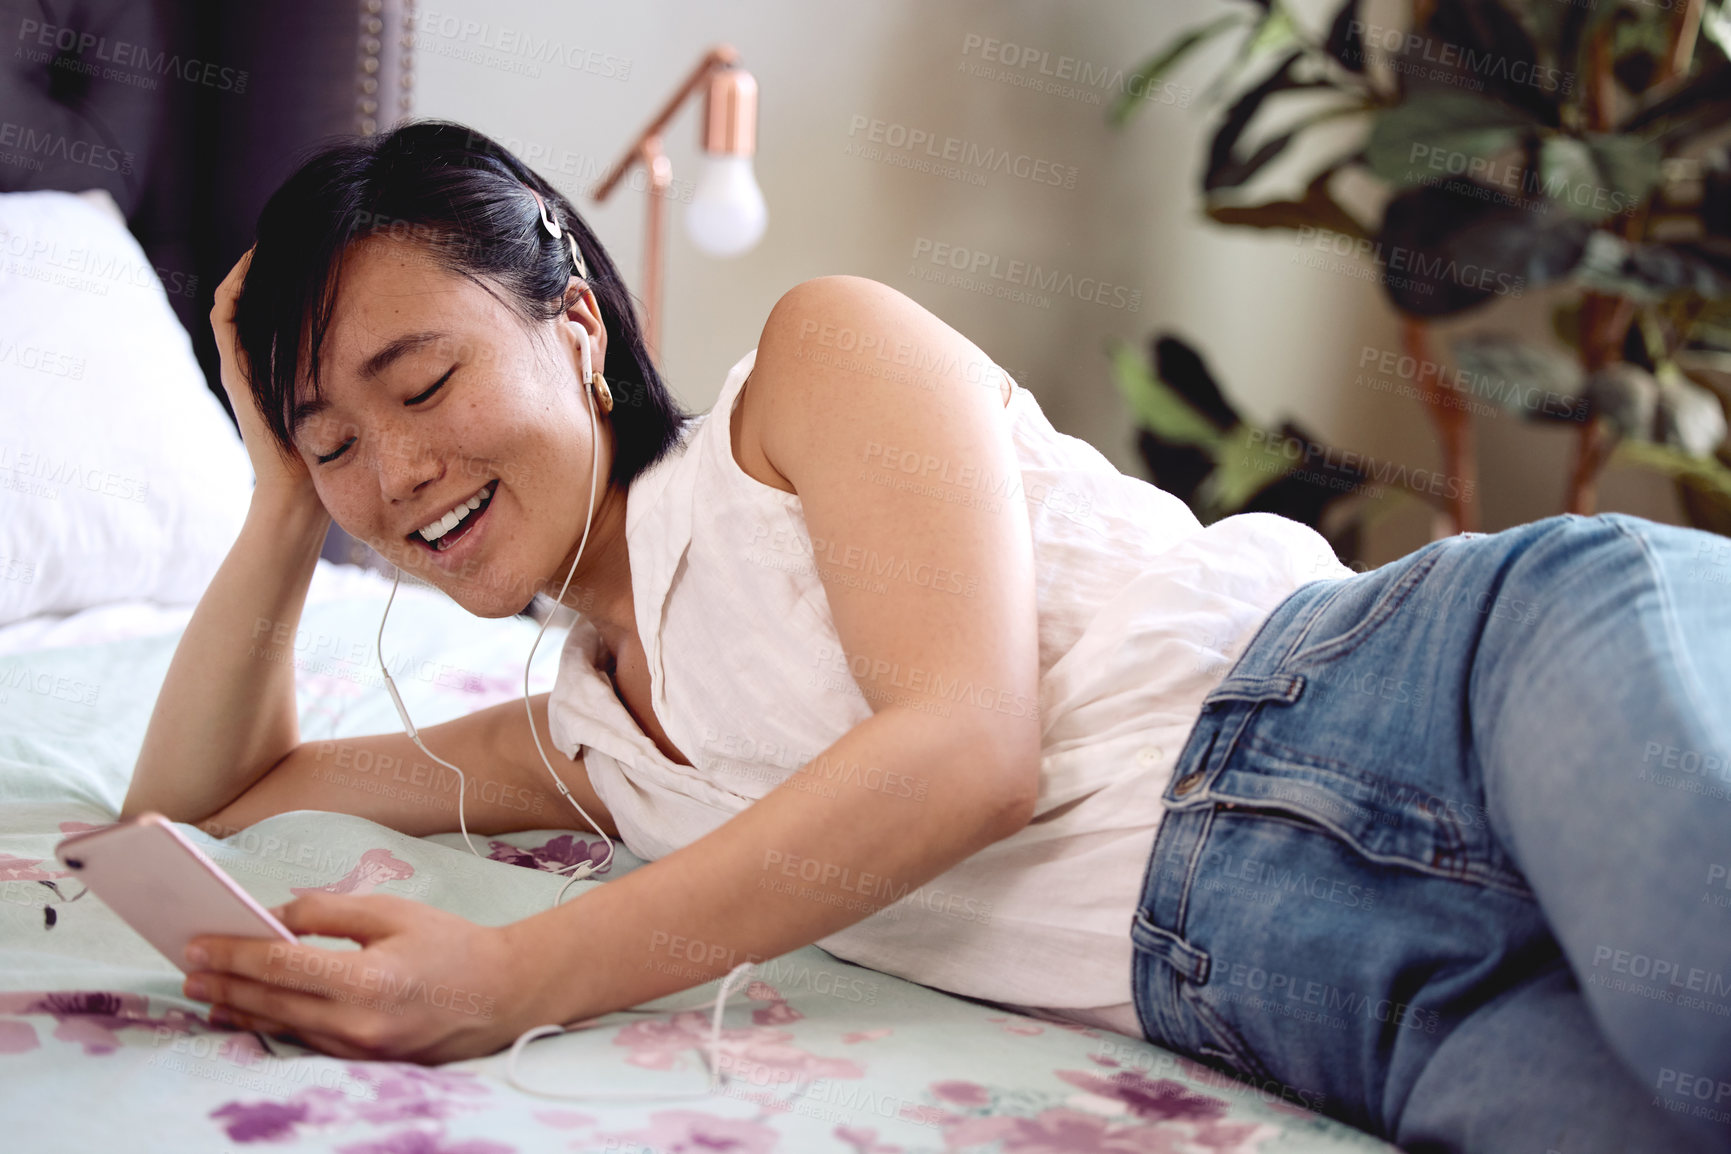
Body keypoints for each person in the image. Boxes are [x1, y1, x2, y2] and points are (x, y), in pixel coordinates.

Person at [121, 121, 1731, 1154]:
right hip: (1327, 1001)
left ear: (577, 324)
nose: (395, 473)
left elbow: (965, 747)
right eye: (339, 444)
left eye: (419, 384)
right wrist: (274, 498)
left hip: (1440, 687)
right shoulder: (584, 745)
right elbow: (208, 798)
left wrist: (512, 975)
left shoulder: (815, 373)